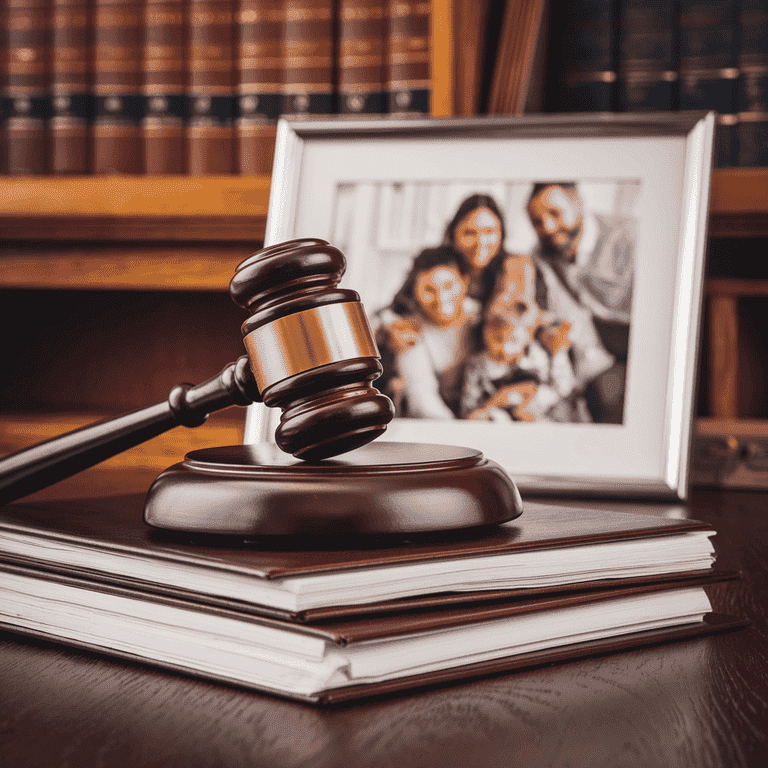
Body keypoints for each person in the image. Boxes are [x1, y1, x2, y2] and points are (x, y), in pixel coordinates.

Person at [526, 182, 635, 423]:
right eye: (537, 221)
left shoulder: (630, 237)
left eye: (554, 213)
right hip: (594, 351)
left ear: (577, 201)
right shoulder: (541, 256)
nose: (548, 227)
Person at [460, 257, 584, 423]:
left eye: (513, 340)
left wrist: (558, 355)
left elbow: (563, 388)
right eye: (497, 338)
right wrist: (492, 406)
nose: (504, 348)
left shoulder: (542, 352)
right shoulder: (478, 364)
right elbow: (469, 412)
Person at [375, 245, 478, 419]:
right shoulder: (408, 331)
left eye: (448, 286)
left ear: (465, 283)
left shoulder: (483, 319)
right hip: (441, 424)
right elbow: (424, 403)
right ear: (415, 291)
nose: (441, 298)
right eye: (429, 290)